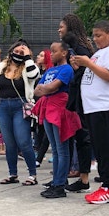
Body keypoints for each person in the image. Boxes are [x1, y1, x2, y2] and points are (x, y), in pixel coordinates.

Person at [73, 20, 109, 205]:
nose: (95, 39)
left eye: (99, 35)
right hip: (94, 108)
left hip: (106, 107)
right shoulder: (99, 53)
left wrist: (88, 62)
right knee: (99, 148)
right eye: (94, 35)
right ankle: (105, 185)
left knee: (106, 149)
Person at [0, 39, 40, 186]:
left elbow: (35, 76)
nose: (19, 54)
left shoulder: (28, 67)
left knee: (24, 141)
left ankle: (32, 174)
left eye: (23, 52)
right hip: (2, 106)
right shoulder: (0, 67)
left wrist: (27, 58)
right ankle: (12, 173)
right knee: (9, 142)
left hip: (20, 106)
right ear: (11, 51)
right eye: (17, 51)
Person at [35, 41, 81, 198]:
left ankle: (60, 183)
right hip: (48, 108)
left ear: (64, 53)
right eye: (51, 51)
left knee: (62, 149)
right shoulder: (50, 70)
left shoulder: (66, 69)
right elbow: (38, 90)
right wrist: (45, 89)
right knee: (55, 149)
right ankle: (56, 181)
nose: (52, 54)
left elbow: (51, 87)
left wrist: (46, 89)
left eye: (55, 51)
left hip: (59, 109)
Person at [59, 14, 94, 194]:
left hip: (82, 101)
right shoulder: (77, 47)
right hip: (77, 100)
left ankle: (84, 179)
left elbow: (86, 74)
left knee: (82, 139)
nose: (59, 30)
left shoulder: (80, 49)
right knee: (80, 139)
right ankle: (81, 177)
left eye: (62, 27)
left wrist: (75, 71)